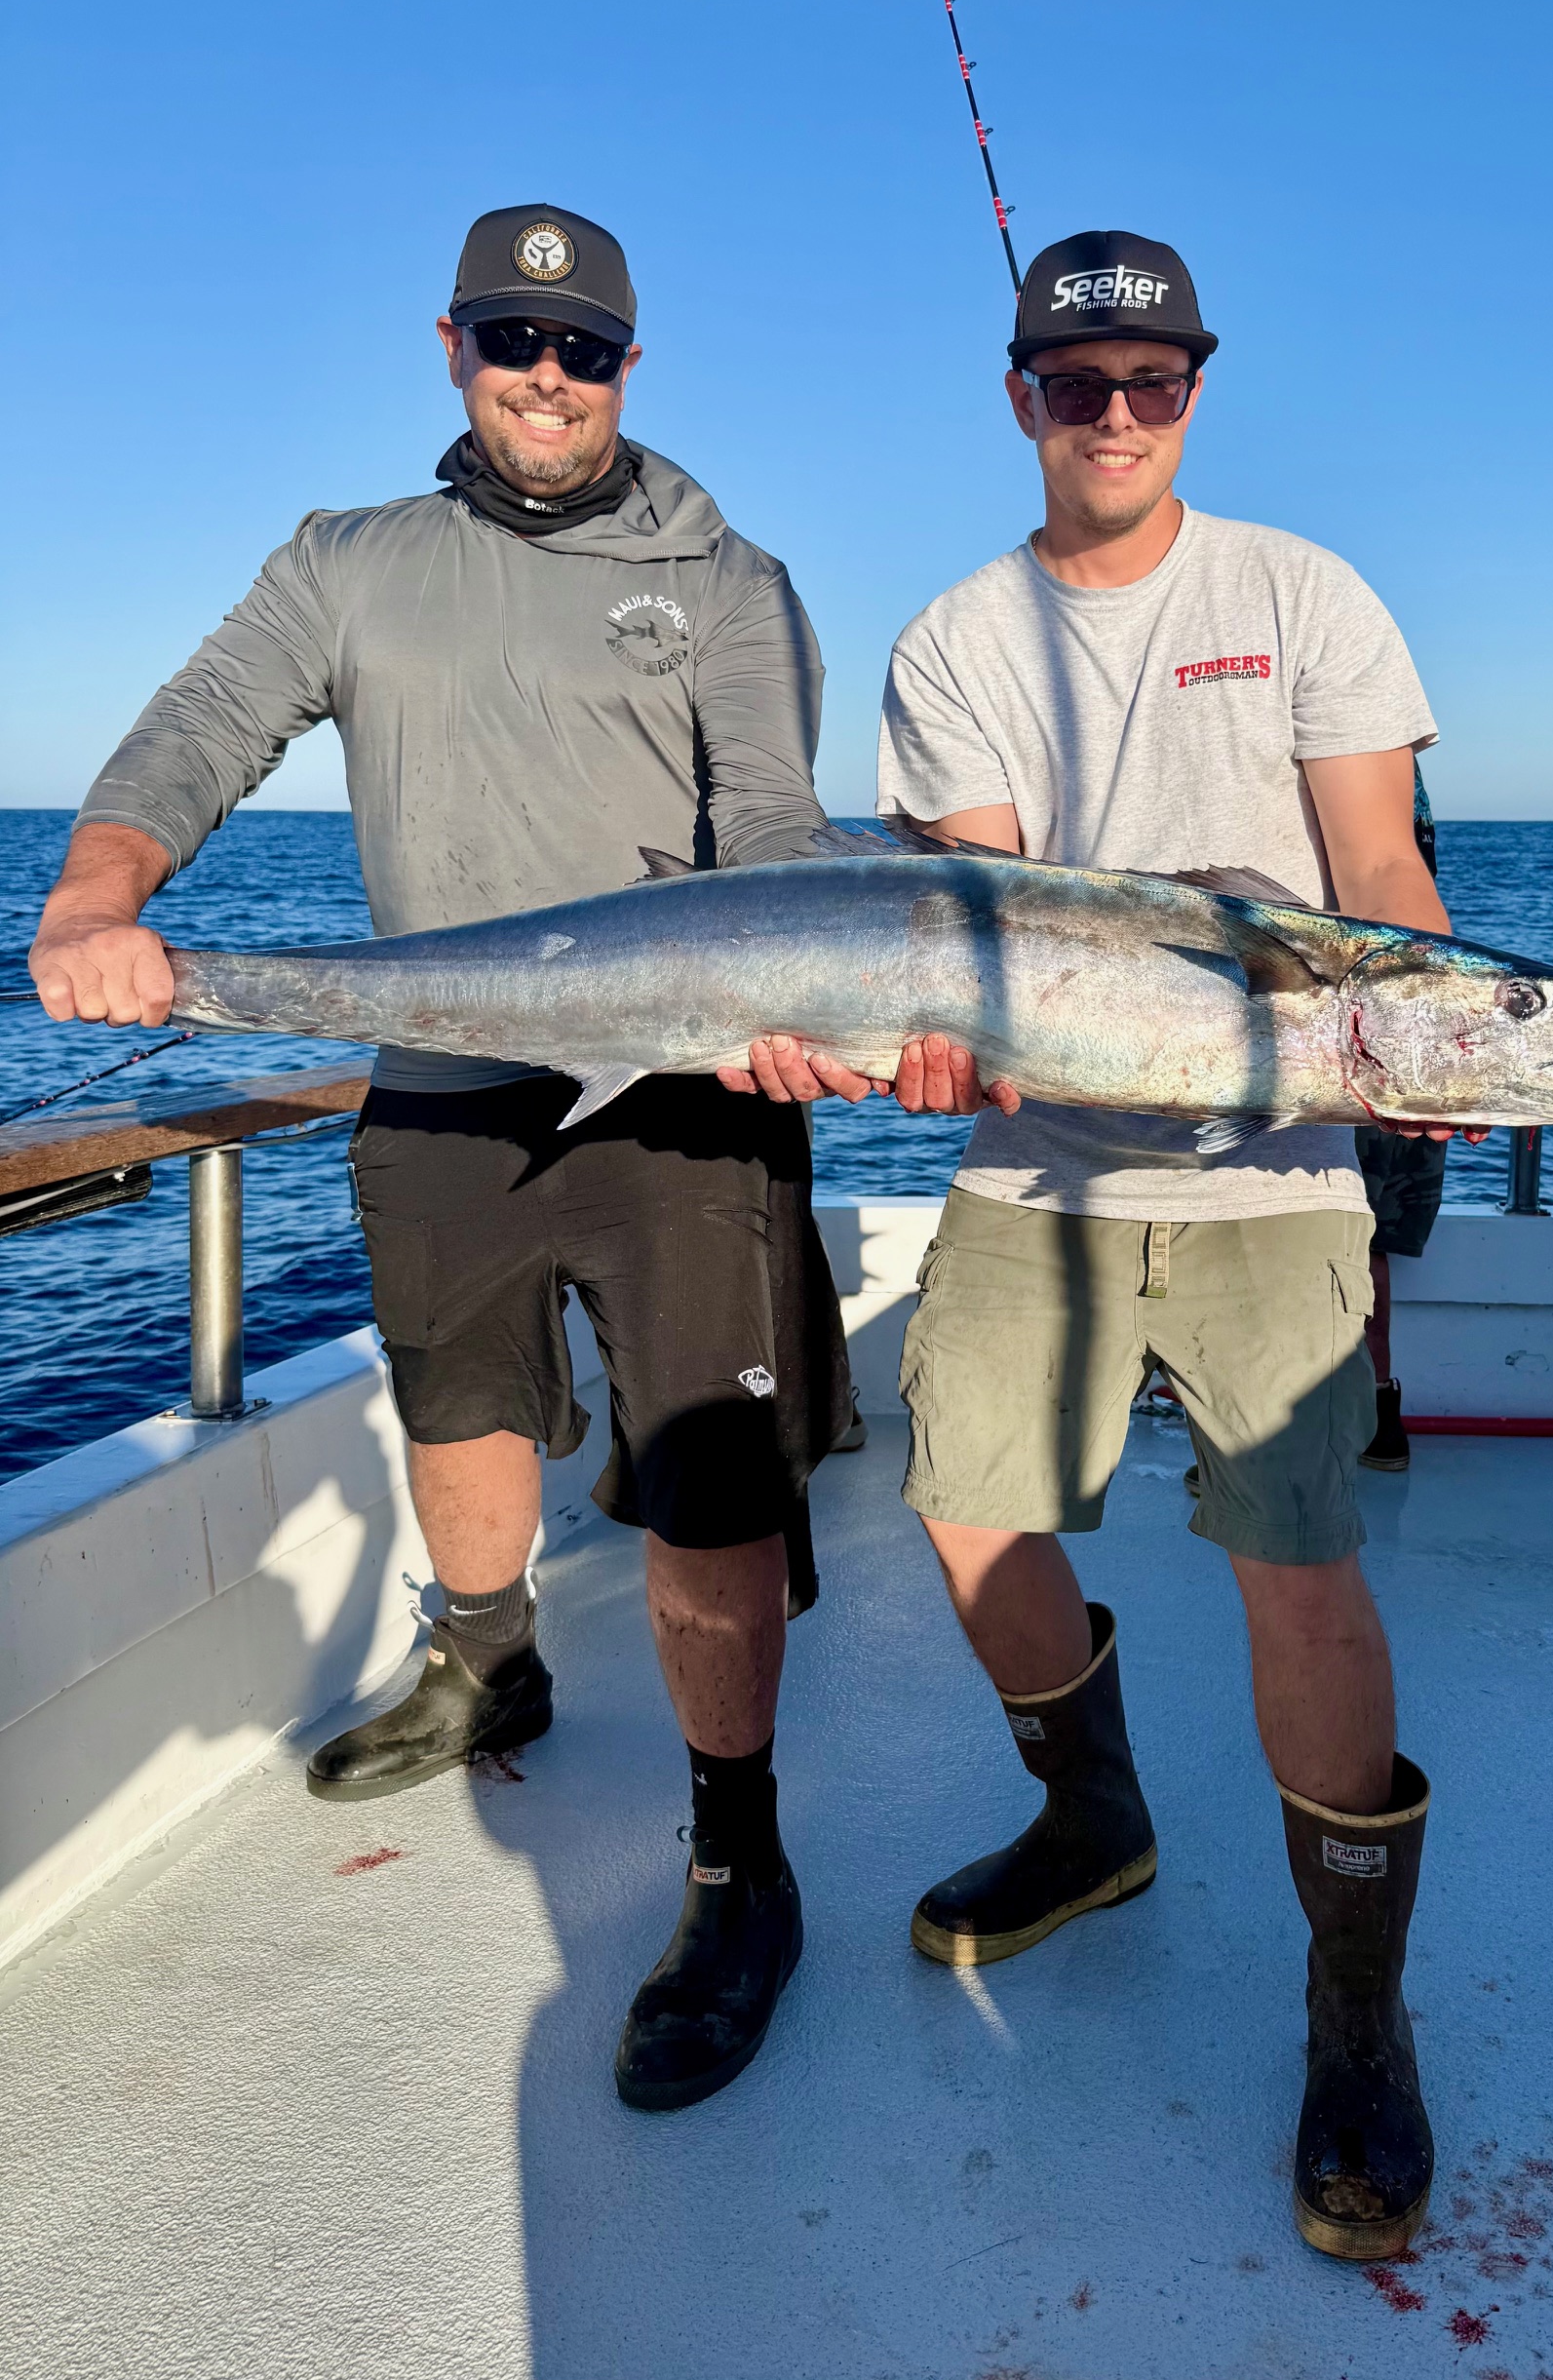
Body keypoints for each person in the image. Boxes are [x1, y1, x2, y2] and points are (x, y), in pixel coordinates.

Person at [28, 204, 852, 2113]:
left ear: (630, 367)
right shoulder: (348, 561)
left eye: (580, 350)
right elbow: (207, 717)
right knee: (458, 1406)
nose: (543, 376)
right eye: (510, 339)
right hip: (437, 1075)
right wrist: (100, 882)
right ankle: (489, 1657)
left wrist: (825, 980)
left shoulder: (726, 574)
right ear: (453, 345)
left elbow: (783, 824)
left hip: (681, 1098)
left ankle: (740, 1847)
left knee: (705, 1489)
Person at [871, 228, 1458, 2261]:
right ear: (1018, 395)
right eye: (1073, 382)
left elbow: (1374, 866)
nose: (1113, 413)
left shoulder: (1302, 594)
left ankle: (1354, 1996)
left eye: (1151, 380)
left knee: (1292, 1570)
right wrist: (904, 1041)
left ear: (1196, 387)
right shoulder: (952, 635)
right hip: (1032, 1164)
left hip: (1272, 1169)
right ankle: (1096, 1814)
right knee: (960, 1512)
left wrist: (1433, 1015)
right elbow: (968, 928)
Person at [1353, 763, 1449, 1470]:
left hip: (1363, 1026)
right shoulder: (1394, 768)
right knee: (1370, 1243)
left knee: (1354, 1239)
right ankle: (1380, 1411)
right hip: (1387, 1024)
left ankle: (1374, 1410)